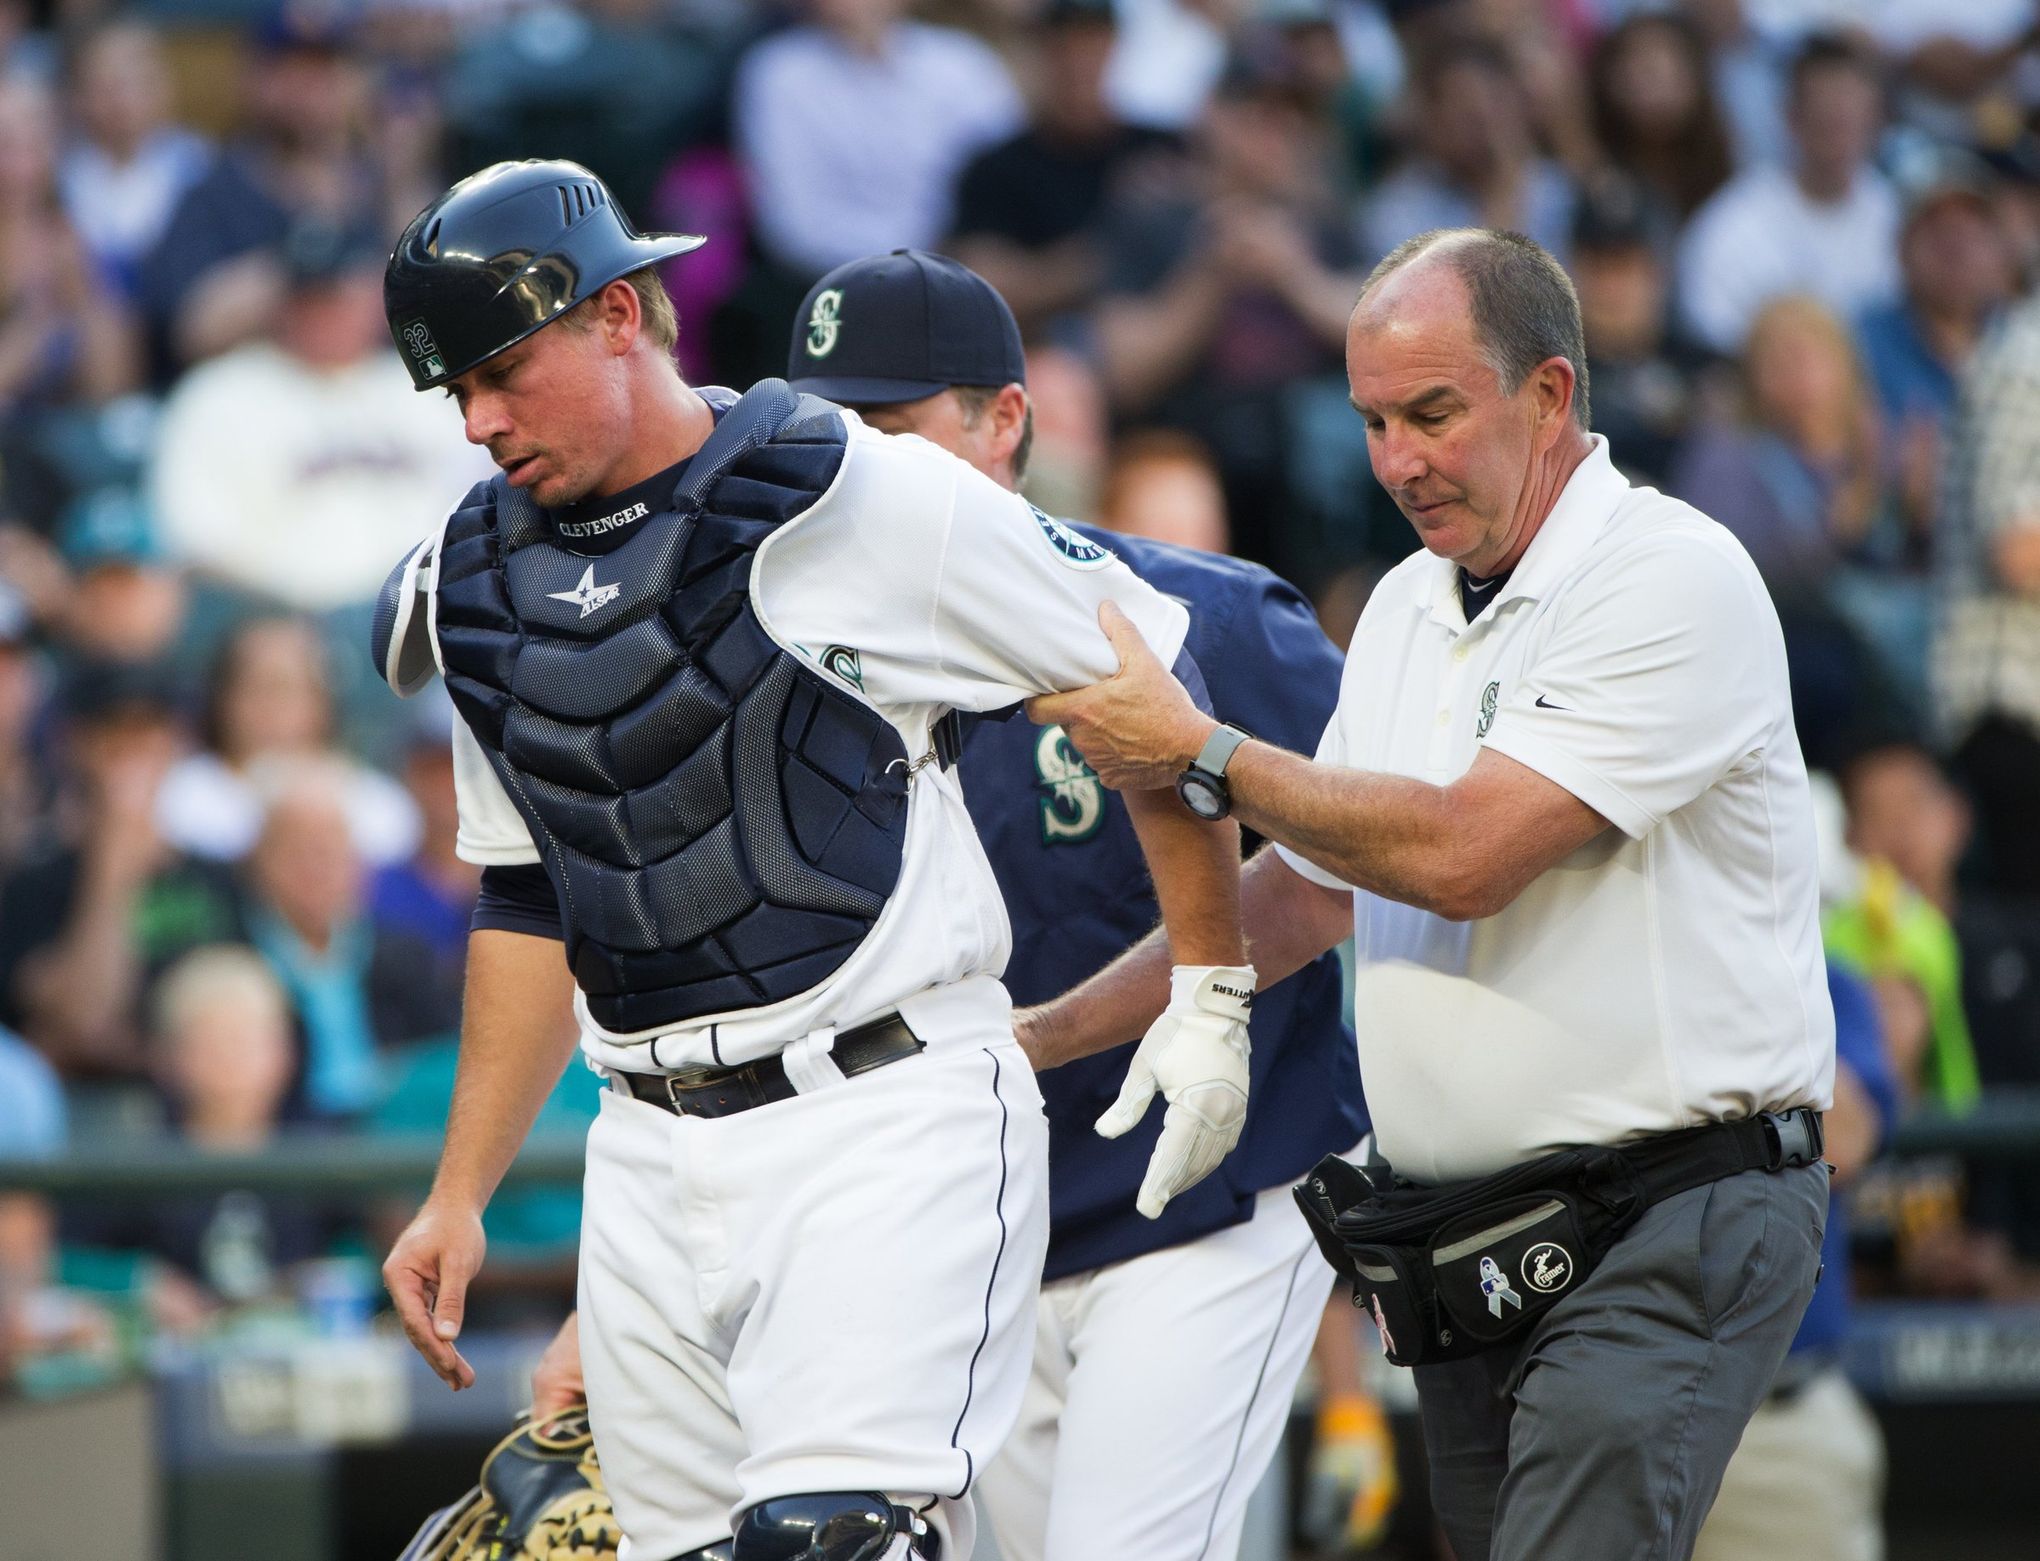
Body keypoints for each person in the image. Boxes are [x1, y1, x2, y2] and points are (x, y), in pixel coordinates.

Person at [372, 160, 1251, 1561]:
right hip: (647, 1150)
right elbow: (535, 890)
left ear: (618, 314)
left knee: (830, 1542)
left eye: (501, 368)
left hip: (882, 1118)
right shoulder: (473, 581)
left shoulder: (858, 491)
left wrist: (1211, 985)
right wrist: (462, 1189)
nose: (478, 419)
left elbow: (1141, 693)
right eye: (453, 392)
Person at [523, 248, 1372, 1560]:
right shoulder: (768, 668)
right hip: (968, 1230)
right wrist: (638, 1306)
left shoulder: (1199, 614)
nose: (851, 459)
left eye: (891, 424)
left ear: (1005, 422)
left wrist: (1047, 1032)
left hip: (1205, 1204)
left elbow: (1344, 868)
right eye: (829, 424)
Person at [1021, 226, 1835, 1561]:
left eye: (1434, 413)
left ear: (1552, 394)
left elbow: (1464, 850)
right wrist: (1045, 1035)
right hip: (1469, 1244)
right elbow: (1308, 886)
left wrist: (1200, 750)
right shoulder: (1406, 601)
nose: (1398, 458)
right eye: (1375, 420)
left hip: (1666, 1212)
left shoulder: (1667, 571)